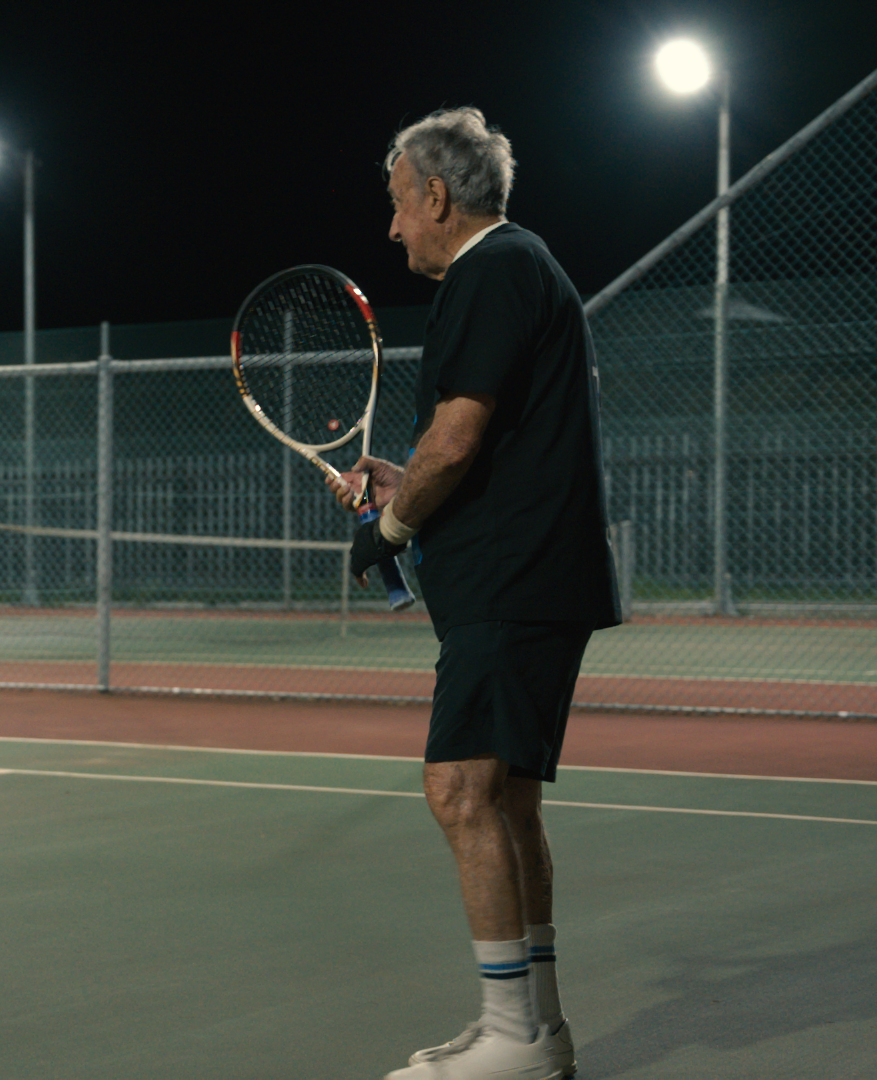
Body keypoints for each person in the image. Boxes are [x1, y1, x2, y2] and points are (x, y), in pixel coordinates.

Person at [332, 107, 621, 1080]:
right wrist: (399, 476)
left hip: (514, 581)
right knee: (508, 802)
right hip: (534, 575)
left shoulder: (490, 270)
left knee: (458, 790)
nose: (394, 227)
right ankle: (531, 1025)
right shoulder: (524, 266)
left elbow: (456, 445)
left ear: (438, 196)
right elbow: (472, 446)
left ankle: (514, 1041)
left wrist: (391, 526)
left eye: (398, 204)